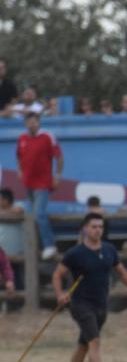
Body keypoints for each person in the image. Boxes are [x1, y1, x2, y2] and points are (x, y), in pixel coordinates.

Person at [52, 213, 127, 362]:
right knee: (95, 342)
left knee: (84, 344)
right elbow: (57, 274)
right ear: (85, 228)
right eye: (94, 227)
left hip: (101, 305)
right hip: (80, 304)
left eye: (100, 227)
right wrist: (60, 294)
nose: (98, 230)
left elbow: (120, 270)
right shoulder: (75, 253)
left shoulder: (109, 250)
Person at [16, 110, 63, 260]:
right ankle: (31, 246)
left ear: (39, 121)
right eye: (28, 120)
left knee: (40, 214)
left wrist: (57, 176)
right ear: (25, 123)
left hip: (43, 183)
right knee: (28, 216)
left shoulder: (47, 136)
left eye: (34, 120)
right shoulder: (22, 138)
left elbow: (59, 157)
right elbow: (18, 156)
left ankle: (50, 245)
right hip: (28, 184)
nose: (31, 123)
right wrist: (20, 171)